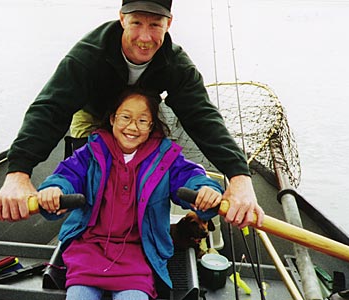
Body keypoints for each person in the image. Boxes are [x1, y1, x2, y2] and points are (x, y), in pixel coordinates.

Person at [0, 0, 264, 228]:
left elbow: (203, 118)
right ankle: (82, 228)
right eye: (136, 23)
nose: (145, 38)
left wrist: (239, 176)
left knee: (150, 161)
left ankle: (139, 228)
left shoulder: (176, 65)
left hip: (142, 113)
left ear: (168, 24)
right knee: (88, 169)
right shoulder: (87, 57)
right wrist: (19, 173)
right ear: (122, 19)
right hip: (93, 113)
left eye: (155, 25)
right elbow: (50, 110)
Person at [37, 88, 224, 299]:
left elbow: (191, 176)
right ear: (112, 118)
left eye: (143, 120)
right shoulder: (91, 152)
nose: (133, 127)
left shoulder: (165, 158)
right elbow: (67, 176)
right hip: (89, 248)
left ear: (152, 125)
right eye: (125, 117)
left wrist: (206, 190)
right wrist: (54, 189)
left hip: (139, 252)